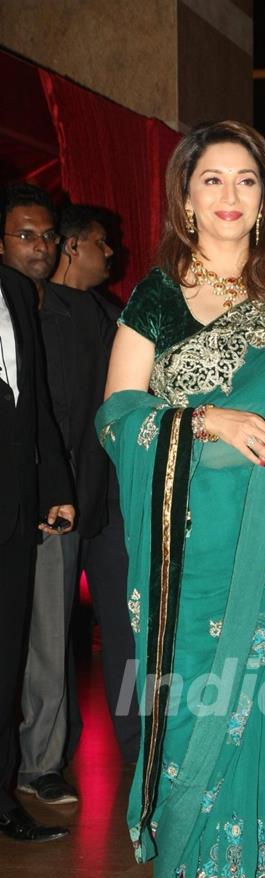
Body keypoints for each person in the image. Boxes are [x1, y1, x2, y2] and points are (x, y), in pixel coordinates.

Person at [97, 120, 265, 878]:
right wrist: (207, 421)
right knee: (195, 719)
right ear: (185, 197)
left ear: (264, 198)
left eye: (245, 180)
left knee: (255, 723)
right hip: (183, 555)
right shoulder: (155, 301)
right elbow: (118, 417)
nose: (229, 197)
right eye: (211, 181)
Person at [0, 184, 113, 803]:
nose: (39, 246)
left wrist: (68, 495)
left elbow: (86, 415)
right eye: (25, 235)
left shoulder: (77, 312)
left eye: (46, 235)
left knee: (48, 638)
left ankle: (41, 763)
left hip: (54, 505)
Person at [52, 202, 140, 764]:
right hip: (52, 504)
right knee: (49, 637)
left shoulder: (117, 316)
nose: (111, 253)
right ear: (72, 246)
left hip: (110, 499)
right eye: (101, 242)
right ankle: (47, 759)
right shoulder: (28, 310)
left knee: (127, 626)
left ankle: (138, 747)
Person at [0, 261, 75, 841]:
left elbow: (34, 399)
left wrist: (55, 487)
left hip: (14, 511)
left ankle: (3, 801)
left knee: (7, 666)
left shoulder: (15, 289)